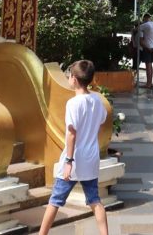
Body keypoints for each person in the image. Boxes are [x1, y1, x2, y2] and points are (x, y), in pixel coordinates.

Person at [38, 60, 108, 235]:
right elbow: (101, 122)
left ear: (74, 79)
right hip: (91, 157)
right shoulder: (97, 100)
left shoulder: (73, 103)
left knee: (55, 200)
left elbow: (71, 134)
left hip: (75, 158)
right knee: (95, 200)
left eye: (69, 75)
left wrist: (68, 161)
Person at [136, 13, 153, 90]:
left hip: (147, 47)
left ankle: (148, 84)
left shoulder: (145, 25)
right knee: (150, 66)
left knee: (148, 66)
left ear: (145, 18)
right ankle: (150, 82)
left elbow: (136, 29)